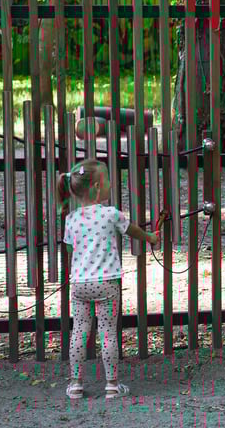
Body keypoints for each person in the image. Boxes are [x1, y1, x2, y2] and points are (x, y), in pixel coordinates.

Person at [58, 159, 160, 399]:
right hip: (107, 284)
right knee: (107, 333)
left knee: (79, 332)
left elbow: (70, 250)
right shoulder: (111, 214)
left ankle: (75, 384)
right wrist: (150, 237)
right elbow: (133, 230)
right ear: (96, 187)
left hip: (80, 284)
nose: (111, 184)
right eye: (107, 181)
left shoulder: (71, 219)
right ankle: (112, 385)